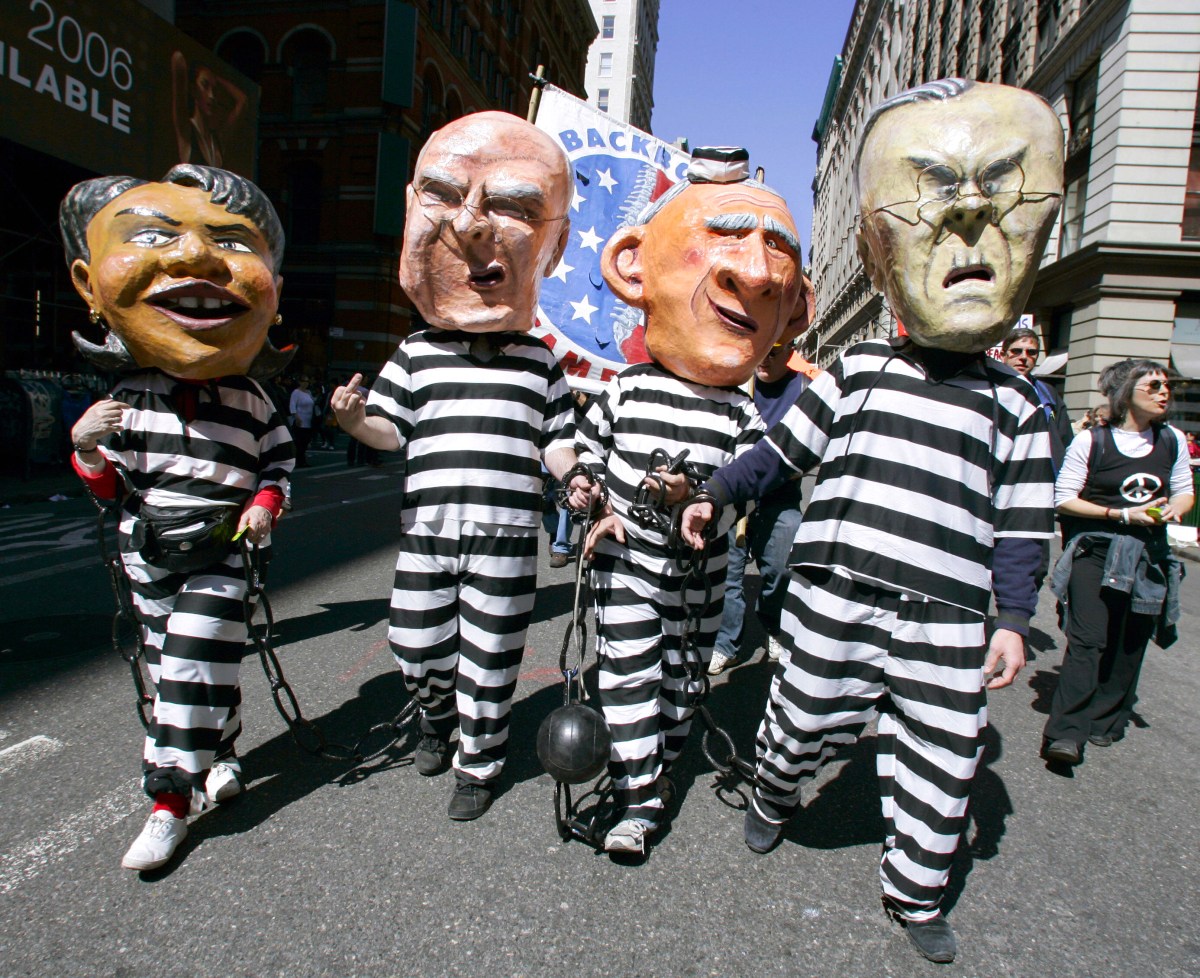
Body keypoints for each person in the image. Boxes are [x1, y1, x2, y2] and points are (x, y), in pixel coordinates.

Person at [680, 79, 1063, 964]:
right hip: (836, 599)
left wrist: (1012, 622)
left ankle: (919, 890)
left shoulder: (1019, 406)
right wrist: (716, 492)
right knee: (800, 718)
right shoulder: (854, 373)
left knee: (944, 757)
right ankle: (775, 796)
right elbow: (778, 456)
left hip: (949, 618)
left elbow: (1022, 525)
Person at [332, 112, 586, 822]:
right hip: (428, 534)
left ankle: (478, 762)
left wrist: (574, 475)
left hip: (506, 541)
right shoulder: (417, 353)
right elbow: (390, 430)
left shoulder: (540, 362)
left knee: (492, 659)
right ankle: (434, 714)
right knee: (414, 641)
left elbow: (557, 439)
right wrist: (355, 420)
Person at [61, 164, 295, 871]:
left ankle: (169, 800)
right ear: (89, 286)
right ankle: (221, 754)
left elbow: (279, 464)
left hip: (223, 549)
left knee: (193, 650)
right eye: (156, 237)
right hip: (150, 549)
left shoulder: (254, 403)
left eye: (228, 244)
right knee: (175, 667)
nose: (194, 258)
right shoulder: (129, 397)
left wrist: (262, 507)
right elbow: (110, 491)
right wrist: (88, 447)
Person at [576, 147, 808, 855]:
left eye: (777, 260)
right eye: (729, 241)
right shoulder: (624, 389)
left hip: (701, 576)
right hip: (627, 564)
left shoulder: (743, 415)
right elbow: (587, 454)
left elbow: (751, 487)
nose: (755, 273)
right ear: (631, 269)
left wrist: (705, 505)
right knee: (627, 674)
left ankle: (660, 766)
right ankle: (638, 799)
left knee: (679, 683)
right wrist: (588, 497)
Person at [1042, 360, 1191, 764]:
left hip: (1148, 555)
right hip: (1096, 552)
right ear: (1125, 392)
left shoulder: (1172, 440)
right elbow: (1064, 497)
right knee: (1089, 640)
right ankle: (1066, 733)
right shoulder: (1093, 441)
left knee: (1130, 642)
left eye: (1167, 386)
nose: (1165, 392)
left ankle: (1105, 720)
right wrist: (1120, 515)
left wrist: (1172, 509)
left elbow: (1183, 492)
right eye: (1155, 385)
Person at [707, 332, 810, 675]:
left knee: (780, 570)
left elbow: (817, 449)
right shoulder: (740, 384)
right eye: (761, 351)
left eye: (774, 352)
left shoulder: (805, 391)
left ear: (791, 351)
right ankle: (726, 643)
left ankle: (775, 625)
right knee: (728, 572)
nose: (764, 360)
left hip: (780, 494)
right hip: (737, 495)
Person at [1000, 326, 1073, 469]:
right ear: (1003, 355)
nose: (1023, 357)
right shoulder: (990, 390)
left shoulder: (1048, 394)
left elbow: (1065, 438)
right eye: (1016, 351)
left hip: (1041, 473)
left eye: (1031, 352)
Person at [289, 375, 315, 466]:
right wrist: (296, 417)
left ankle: (302, 460)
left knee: (305, 442)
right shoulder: (296, 392)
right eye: (304, 381)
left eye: (307, 381)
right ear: (300, 382)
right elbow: (292, 405)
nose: (306, 383)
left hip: (309, 421)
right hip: (300, 420)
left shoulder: (309, 392)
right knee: (299, 442)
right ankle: (299, 461)